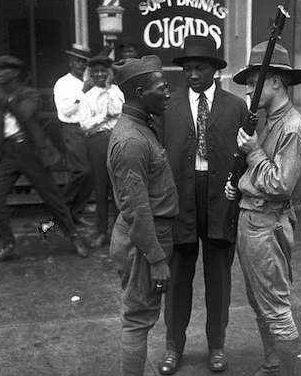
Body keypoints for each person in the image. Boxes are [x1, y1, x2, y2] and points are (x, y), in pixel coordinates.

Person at [156, 35, 249, 375]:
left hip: (220, 199)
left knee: (219, 280)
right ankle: (173, 346)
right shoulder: (169, 105)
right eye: (188, 69)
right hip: (180, 198)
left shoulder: (236, 107)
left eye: (200, 68)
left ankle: (217, 347)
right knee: (177, 277)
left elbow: (248, 155)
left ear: (215, 70)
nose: (193, 75)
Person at [224, 42, 301, 376]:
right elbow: (261, 175)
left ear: (274, 81)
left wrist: (255, 152)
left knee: (275, 306)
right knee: (259, 300)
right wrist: (239, 184)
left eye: (253, 81)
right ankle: (273, 363)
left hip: (268, 224)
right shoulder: (269, 120)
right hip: (253, 219)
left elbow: (281, 185)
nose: (248, 89)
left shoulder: (293, 126)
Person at [107, 55, 177, 376]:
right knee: (137, 320)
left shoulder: (141, 128)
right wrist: (156, 258)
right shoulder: (132, 140)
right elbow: (136, 208)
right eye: (162, 88)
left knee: (141, 316)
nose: (167, 93)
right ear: (139, 91)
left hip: (149, 237)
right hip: (143, 243)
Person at [0, 55, 88, 263]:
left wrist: (3, 99)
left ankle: (74, 237)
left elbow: (23, 115)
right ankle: (8, 244)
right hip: (7, 153)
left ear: (14, 73)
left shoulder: (29, 94)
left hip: (31, 151)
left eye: (2, 70)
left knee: (53, 199)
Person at [80, 54, 124, 248]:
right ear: (91, 73)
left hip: (117, 140)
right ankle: (101, 232)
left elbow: (119, 111)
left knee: (117, 188)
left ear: (109, 72)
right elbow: (85, 125)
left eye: (103, 71)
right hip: (97, 143)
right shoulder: (88, 96)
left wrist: (109, 93)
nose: (100, 74)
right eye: (95, 71)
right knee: (100, 189)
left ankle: (118, 232)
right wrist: (103, 116)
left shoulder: (117, 91)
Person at [53, 43, 94, 227]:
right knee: (81, 171)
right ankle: (59, 206)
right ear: (70, 62)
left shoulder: (88, 81)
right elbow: (65, 110)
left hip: (89, 129)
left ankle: (76, 214)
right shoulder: (63, 83)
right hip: (72, 130)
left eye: (83, 62)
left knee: (90, 173)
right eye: (77, 61)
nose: (80, 65)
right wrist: (82, 92)